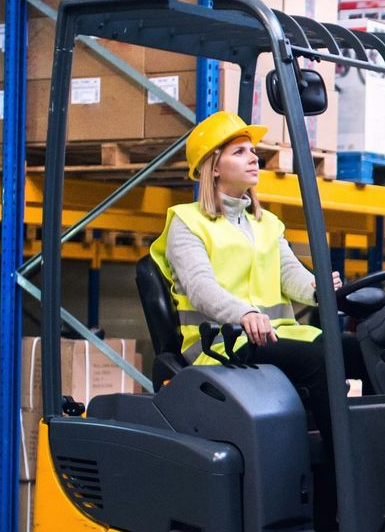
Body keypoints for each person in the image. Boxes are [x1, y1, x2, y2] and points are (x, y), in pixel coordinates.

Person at [148, 111, 356, 434]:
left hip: (275, 335)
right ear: (214, 166)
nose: (253, 158)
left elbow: (288, 272)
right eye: (240, 151)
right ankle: (341, 474)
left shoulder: (266, 223)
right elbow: (200, 286)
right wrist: (243, 313)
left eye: (253, 151)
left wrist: (317, 288)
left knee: (362, 350)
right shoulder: (187, 223)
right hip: (220, 344)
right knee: (319, 361)